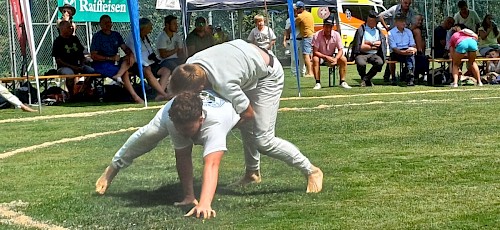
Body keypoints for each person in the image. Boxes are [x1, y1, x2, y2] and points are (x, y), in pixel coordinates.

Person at [169, 39, 323, 195]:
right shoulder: (190, 66)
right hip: (246, 66)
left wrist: (218, 132)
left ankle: (311, 170)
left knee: (264, 140)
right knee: (245, 126)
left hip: (268, 76)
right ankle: (252, 173)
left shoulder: (225, 84)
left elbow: (248, 114)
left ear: (200, 87)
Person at [95, 90, 241, 219]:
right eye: (180, 128)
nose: (183, 133)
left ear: (201, 120)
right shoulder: (173, 120)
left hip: (232, 110)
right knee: (149, 134)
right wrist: (189, 196)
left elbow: (212, 164)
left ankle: (252, 172)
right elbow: (183, 155)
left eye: (188, 128)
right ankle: (112, 168)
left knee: (262, 142)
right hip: (176, 107)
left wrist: (204, 204)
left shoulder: (215, 124)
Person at [113, 18, 171, 101]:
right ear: (143, 28)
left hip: (150, 62)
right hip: (138, 63)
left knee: (166, 70)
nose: (151, 30)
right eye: (149, 28)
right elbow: (134, 56)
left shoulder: (145, 37)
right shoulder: (133, 38)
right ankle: (163, 94)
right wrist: (145, 64)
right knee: (147, 70)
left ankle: (159, 95)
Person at [90, 15, 143, 104]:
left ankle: (118, 75)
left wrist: (130, 54)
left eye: (109, 22)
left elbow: (125, 48)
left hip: (115, 62)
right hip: (101, 64)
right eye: (105, 22)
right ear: (100, 24)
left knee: (129, 58)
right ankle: (135, 96)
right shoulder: (97, 37)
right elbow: (93, 56)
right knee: (125, 72)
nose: (108, 24)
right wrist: (109, 58)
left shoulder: (116, 35)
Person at [51, 20, 95, 97]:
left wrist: (81, 64)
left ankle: (81, 91)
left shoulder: (75, 39)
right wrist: (73, 67)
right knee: (70, 74)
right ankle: (71, 95)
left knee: (92, 72)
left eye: (71, 27)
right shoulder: (57, 42)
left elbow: (82, 54)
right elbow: (58, 61)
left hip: (78, 65)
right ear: (62, 29)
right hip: (64, 67)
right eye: (69, 27)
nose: (71, 28)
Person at [378, 0, 416, 82]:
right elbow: (380, 16)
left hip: (404, 39)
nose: (407, 5)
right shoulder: (394, 9)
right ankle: (392, 76)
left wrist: (407, 31)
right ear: (401, 1)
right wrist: (387, 28)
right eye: (406, 3)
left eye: (409, 3)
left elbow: (414, 23)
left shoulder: (411, 12)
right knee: (393, 55)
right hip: (394, 38)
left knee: (410, 54)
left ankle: (409, 75)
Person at [311, 16, 351, 89]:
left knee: (343, 59)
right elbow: (315, 51)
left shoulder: (336, 34)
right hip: (321, 56)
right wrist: (326, 57)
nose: (328, 29)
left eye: (330, 26)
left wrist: (335, 58)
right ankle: (317, 82)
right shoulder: (317, 35)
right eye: (326, 26)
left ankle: (343, 81)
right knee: (315, 59)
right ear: (323, 26)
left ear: (332, 27)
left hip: (332, 56)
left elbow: (341, 50)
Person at [350, 11, 386, 87]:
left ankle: (366, 79)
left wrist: (369, 43)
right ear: (369, 20)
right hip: (362, 54)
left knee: (379, 62)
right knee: (361, 63)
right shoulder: (361, 29)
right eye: (373, 21)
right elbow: (361, 47)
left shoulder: (378, 31)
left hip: (374, 54)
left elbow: (380, 44)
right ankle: (366, 79)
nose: (375, 23)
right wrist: (374, 44)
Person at [388, 14, 417, 86]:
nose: (404, 23)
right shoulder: (391, 33)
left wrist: (413, 49)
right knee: (409, 55)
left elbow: (413, 44)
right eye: (401, 22)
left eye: (405, 21)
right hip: (396, 52)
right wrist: (404, 52)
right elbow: (394, 48)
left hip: (407, 51)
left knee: (411, 54)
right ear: (396, 23)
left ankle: (410, 76)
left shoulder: (408, 31)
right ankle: (408, 75)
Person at [284, 4, 306, 77]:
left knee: (302, 57)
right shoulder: (289, 20)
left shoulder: (302, 17)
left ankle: (302, 72)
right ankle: (294, 73)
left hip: (302, 39)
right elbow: (287, 31)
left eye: (296, 10)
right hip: (293, 40)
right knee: (294, 58)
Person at [295, 1, 315, 77]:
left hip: (306, 36)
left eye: (297, 9)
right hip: (311, 35)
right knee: (310, 55)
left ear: (301, 8)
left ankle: (310, 72)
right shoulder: (309, 14)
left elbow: (294, 24)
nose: (296, 10)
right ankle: (310, 71)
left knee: (305, 55)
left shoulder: (300, 16)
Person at [410, 14, 429, 82]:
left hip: (419, 51)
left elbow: (424, 41)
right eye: (418, 20)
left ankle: (424, 74)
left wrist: (422, 51)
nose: (420, 22)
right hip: (410, 49)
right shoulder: (409, 29)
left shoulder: (423, 29)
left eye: (421, 20)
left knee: (424, 58)